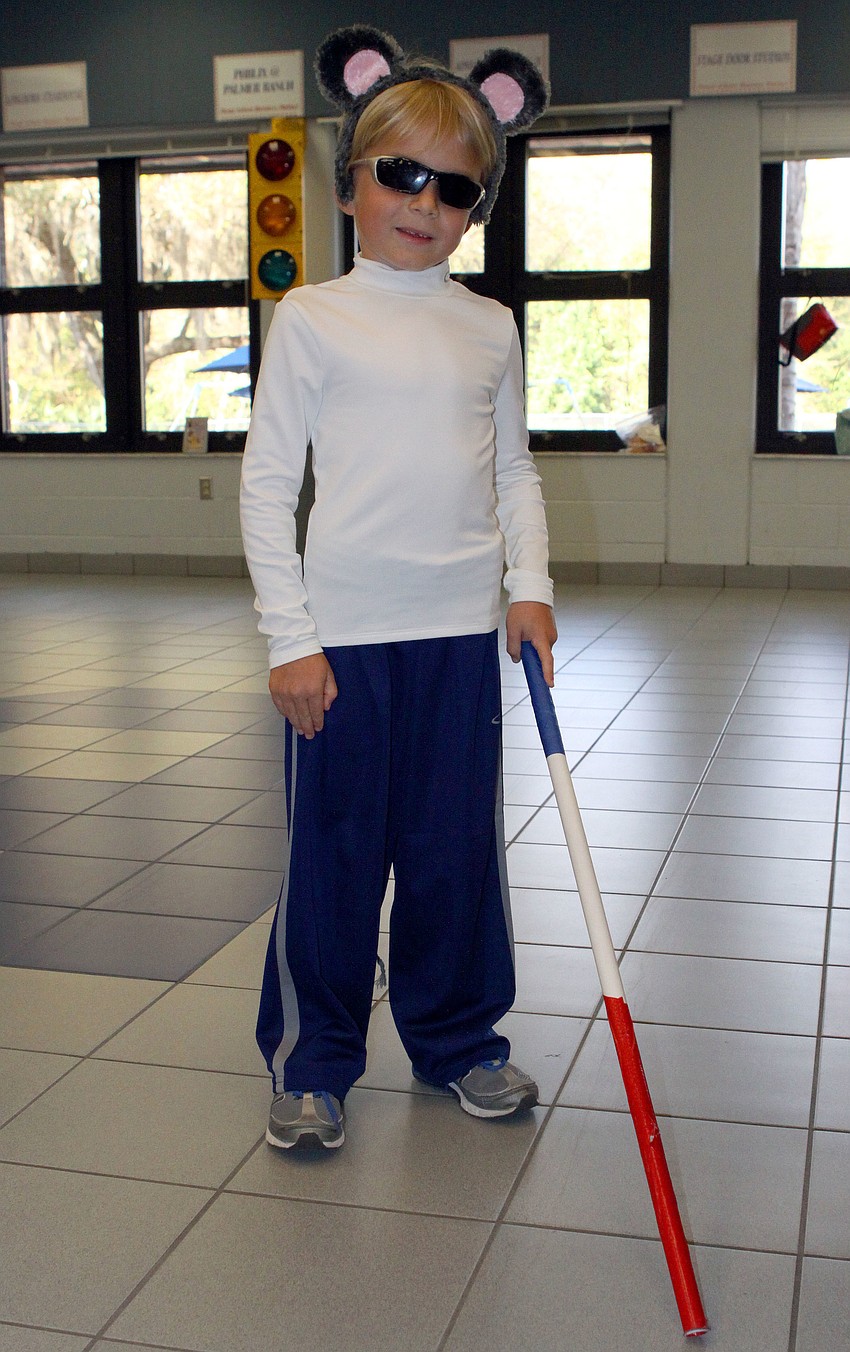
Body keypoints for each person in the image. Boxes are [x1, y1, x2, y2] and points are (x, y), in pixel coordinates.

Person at [240, 25, 557, 1151]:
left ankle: (458, 1037)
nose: (424, 201)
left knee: (449, 854)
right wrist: (290, 639)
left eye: (455, 185)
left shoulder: (488, 327)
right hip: (341, 644)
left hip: (457, 639)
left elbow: (512, 469)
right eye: (401, 173)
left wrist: (530, 585)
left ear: (478, 205)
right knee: (330, 861)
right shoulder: (314, 318)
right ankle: (315, 1059)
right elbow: (269, 487)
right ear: (352, 181)